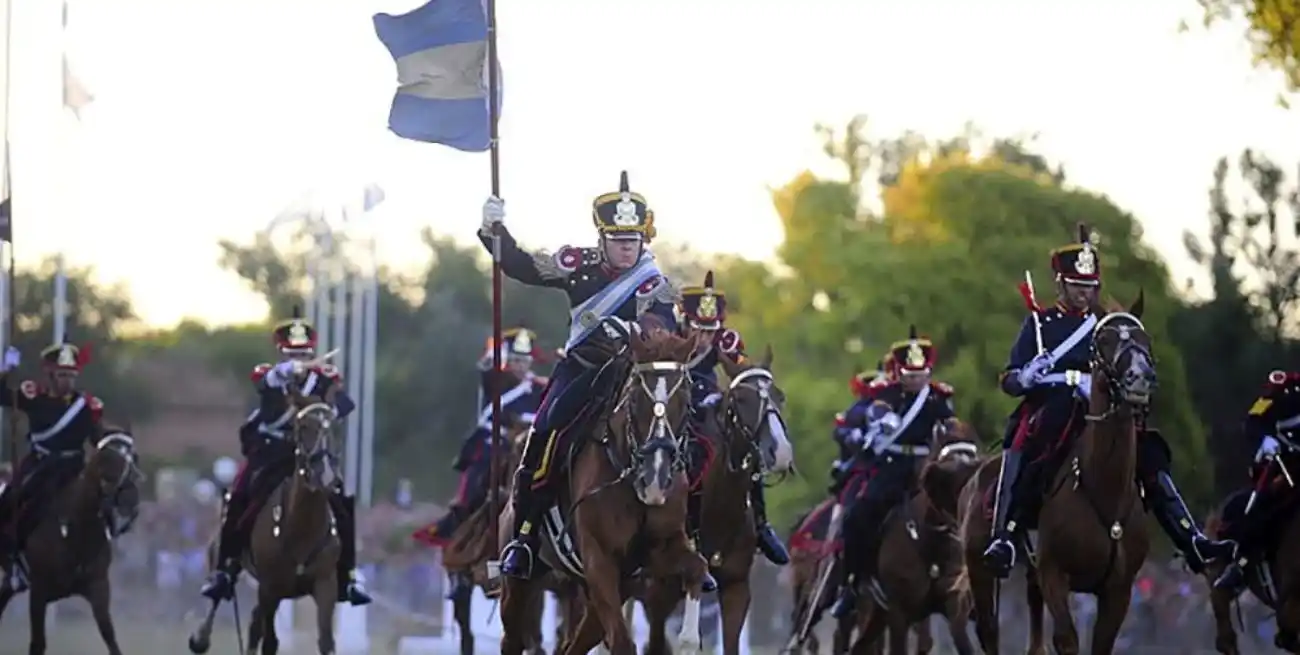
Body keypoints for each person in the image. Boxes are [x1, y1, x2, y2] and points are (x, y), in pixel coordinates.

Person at [982, 224, 1235, 578]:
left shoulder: (1109, 325)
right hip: (1052, 404)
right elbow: (1009, 379)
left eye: (1090, 287)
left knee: (1148, 451)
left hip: (1098, 406)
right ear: (1061, 284)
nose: (1084, 294)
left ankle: (1188, 536)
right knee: (1025, 444)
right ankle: (1004, 537)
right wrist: (1025, 376)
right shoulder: (1039, 324)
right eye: (1077, 286)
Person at [481, 171, 680, 580]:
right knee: (545, 432)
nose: (627, 250)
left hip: (629, 374)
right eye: (619, 241)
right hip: (582, 368)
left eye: (633, 241)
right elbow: (522, 267)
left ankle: (684, 536)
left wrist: (641, 332)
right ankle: (524, 533)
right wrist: (494, 231)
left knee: (681, 433)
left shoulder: (654, 282)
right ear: (602, 238)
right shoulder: (577, 264)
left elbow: (662, 323)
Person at [199, 308, 371, 606]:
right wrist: (285, 374)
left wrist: (324, 412)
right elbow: (263, 384)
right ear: (282, 353)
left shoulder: (323, 379)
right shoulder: (270, 375)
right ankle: (225, 569)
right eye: (293, 354)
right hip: (273, 453)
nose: (300, 359)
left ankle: (349, 575)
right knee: (239, 496)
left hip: (310, 453)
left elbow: (346, 404)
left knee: (342, 500)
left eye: (304, 354)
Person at [830, 326, 956, 618]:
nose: (915, 380)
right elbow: (877, 408)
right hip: (892, 468)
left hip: (927, 469)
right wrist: (883, 418)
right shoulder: (887, 393)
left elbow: (950, 425)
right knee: (858, 516)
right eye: (910, 375)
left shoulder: (937, 398)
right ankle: (855, 582)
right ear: (899, 373)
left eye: (921, 374)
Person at [677, 271, 789, 578]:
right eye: (699, 329)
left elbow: (741, 368)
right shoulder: (668, 337)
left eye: (711, 330)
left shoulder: (725, 341)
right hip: (671, 405)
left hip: (708, 401)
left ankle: (762, 525)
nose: (705, 338)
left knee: (743, 451)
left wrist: (745, 381)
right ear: (685, 321)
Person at [425, 327, 547, 597]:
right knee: (474, 493)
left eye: (524, 361)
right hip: (500, 449)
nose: (520, 366)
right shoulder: (497, 383)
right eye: (515, 360)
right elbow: (488, 396)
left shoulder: (540, 388)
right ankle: (459, 564)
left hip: (533, 451)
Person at [0, 341, 105, 593]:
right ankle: (14, 564)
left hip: (71, 468)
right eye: (61, 375)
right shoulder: (33, 395)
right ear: (50, 374)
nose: (67, 381)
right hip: (38, 465)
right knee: (8, 502)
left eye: (71, 375)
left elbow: (97, 440)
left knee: (102, 503)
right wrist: (6, 370)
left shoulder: (87, 406)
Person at [1213, 370, 1300, 592]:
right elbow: (1254, 420)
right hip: (1288, 465)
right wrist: (1265, 439)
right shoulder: (1284, 389)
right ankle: (1241, 564)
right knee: (1258, 506)